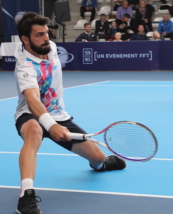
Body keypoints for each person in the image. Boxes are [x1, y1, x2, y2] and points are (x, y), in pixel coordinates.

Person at [13, 13, 125, 214]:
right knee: (34, 133)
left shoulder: (52, 48)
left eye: (47, 33)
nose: (46, 38)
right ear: (25, 40)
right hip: (30, 115)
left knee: (98, 157)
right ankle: (26, 195)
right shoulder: (25, 66)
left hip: (59, 115)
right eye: (39, 35)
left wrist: (55, 122)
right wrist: (50, 125)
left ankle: (100, 164)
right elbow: (32, 100)